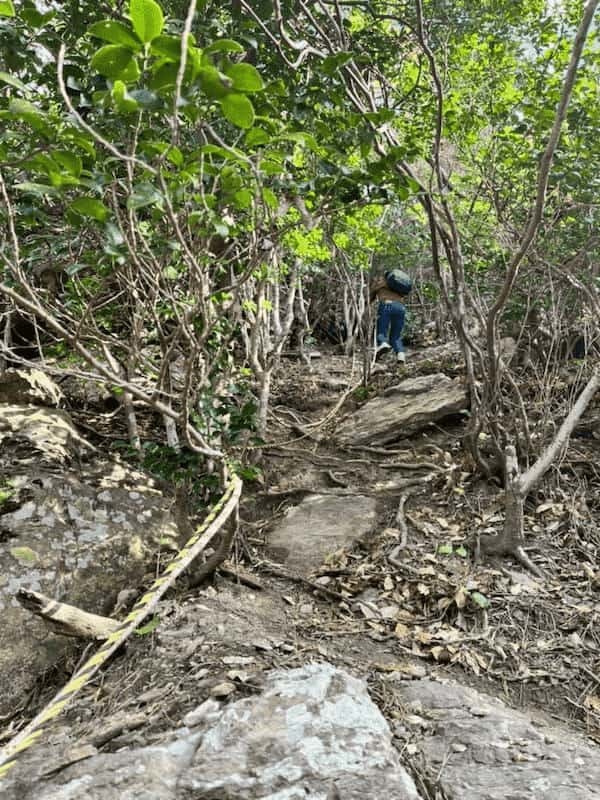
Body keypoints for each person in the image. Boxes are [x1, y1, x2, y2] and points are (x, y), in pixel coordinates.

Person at [370, 272, 407, 363]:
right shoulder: (398, 285)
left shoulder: (380, 284)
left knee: (381, 330)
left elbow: (369, 298)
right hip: (401, 308)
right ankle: (401, 355)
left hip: (387, 305)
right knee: (396, 336)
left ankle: (383, 343)